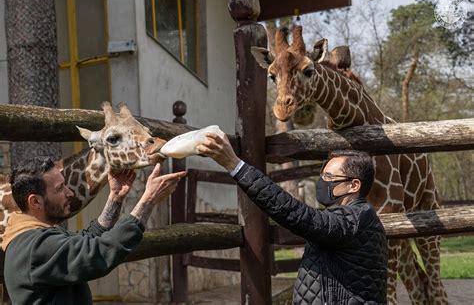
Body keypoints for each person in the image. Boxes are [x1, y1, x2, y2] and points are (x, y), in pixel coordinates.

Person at [197, 133, 388, 304]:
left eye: (329, 177)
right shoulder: (354, 217)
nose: (322, 182)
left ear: (353, 185)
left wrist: (235, 165)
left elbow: (295, 214)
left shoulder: (354, 220)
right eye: (322, 176)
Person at [2, 156, 186, 304]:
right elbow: (96, 252)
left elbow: (84, 242)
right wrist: (148, 200)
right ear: (35, 202)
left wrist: (115, 197)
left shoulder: (32, 235)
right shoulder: (34, 246)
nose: (69, 193)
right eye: (59, 189)